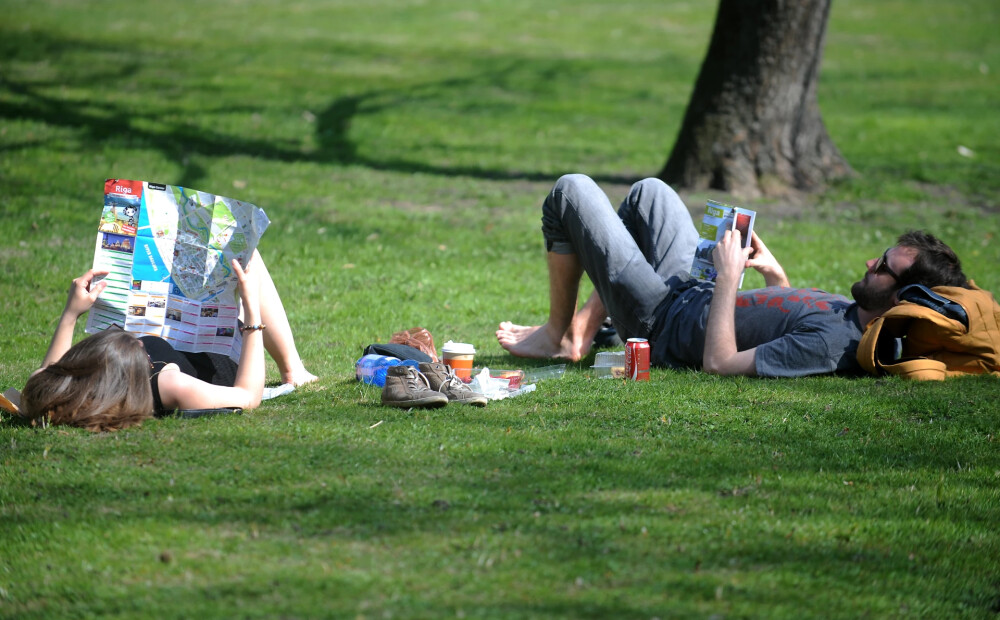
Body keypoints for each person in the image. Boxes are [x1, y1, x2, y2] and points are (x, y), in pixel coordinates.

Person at [497, 174, 969, 377]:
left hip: (660, 323)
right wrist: (776, 277)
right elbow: (772, 325)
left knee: (571, 191)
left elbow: (720, 362)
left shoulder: (835, 345)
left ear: (904, 297)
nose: (872, 262)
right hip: (691, 293)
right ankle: (582, 331)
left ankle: (559, 334)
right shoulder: (851, 315)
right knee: (650, 193)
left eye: (885, 266)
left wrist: (727, 279)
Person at [19, 250, 317, 431]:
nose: (138, 341)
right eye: (138, 348)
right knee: (247, 258)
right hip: (224, 352)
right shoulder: (171, 385)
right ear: (141, 369)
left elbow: (49, 374)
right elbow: (248, 397)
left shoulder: (76, 389)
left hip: (175, 333)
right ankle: (293, 370)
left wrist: (72, 312)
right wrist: (251, 308)